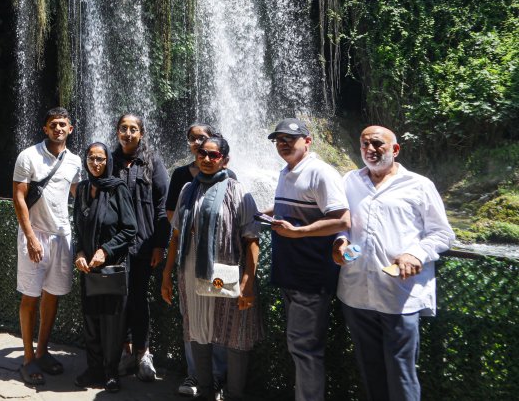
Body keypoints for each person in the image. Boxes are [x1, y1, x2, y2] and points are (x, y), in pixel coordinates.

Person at [332, 126, 454, 401]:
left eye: (378, 144)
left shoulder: (419, 185)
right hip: (356, 293)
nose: (370, 150)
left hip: (399, 295)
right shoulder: (348, 180)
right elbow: (342, 223)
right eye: (365, 144)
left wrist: (416, 254)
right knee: (369, 369)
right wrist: (339, 241)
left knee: (401, 371)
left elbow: (443, 233)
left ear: (395, 149)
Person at [162, 135, 262, 401]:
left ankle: (235, 394)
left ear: (225, 160)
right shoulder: (187, 190)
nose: (206, 159)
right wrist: (166, 274)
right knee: (198, 331)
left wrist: (247, 284)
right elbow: (175, 236)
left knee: (235, 335)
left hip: (225, 276)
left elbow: (252, 241)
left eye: (214, 155)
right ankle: (206, 392)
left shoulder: (237, 191)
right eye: (202, 154)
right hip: (191, 275)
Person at [265, 118, 350, 401]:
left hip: (310, 276)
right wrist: (267, 214)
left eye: (290, 138)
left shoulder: (321, 173)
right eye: (279, 140)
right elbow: (292, 208)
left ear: (308, 141)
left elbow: (342, 220)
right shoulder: (287, 171)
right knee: (298, 346)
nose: (284, 144)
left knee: (304, 348)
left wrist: (299, 232)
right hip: (290, 274)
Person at [12, 107, 83, 386]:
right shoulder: (28, 156)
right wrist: (29, 237)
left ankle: (42, 351)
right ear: (45, 128)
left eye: (63, 124)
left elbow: (81, 196)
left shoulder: (76, 161)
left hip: (62, 236)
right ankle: (28, 359)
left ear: (70, 129)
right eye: (53, 124)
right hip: (36, 234)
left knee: (52, 295)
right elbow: (18, 196)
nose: (58, 129)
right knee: (30, 296)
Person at [167, 123, 229, 397]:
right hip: (188, 261)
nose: (199, 147)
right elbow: (174, 220)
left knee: (217, 318)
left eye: (204, 142)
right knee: (191, 318)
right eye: (194, 141)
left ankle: (217, 377)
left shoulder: (231, 182)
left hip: (217, 263)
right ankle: (196, 375)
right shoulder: (183, 180)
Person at [73, 142, 137, 393]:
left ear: (108, 161)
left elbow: (130, 228)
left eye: (100, 159)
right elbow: (77, 224)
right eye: (91, 158)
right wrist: (79, 252)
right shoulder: (82, 189)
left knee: (112, 320)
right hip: (88, 265)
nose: (96, 163)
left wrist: (105, 250)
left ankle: (111, 372)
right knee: (90, 318)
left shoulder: (117, 188)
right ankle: (94, 369)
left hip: (112, 265)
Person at [112, 113, 170, 381]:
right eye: (123, 128)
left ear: (141, 134)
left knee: (138, 298)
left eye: (133, 129)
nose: (128, 133)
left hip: (144, 243)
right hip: (114, 244)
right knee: (118, 299)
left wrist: (160, 244)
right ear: (117, 132)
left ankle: (143, 352)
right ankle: (124, 351)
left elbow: (163, 205)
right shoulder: (110, 160)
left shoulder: (153, 161)